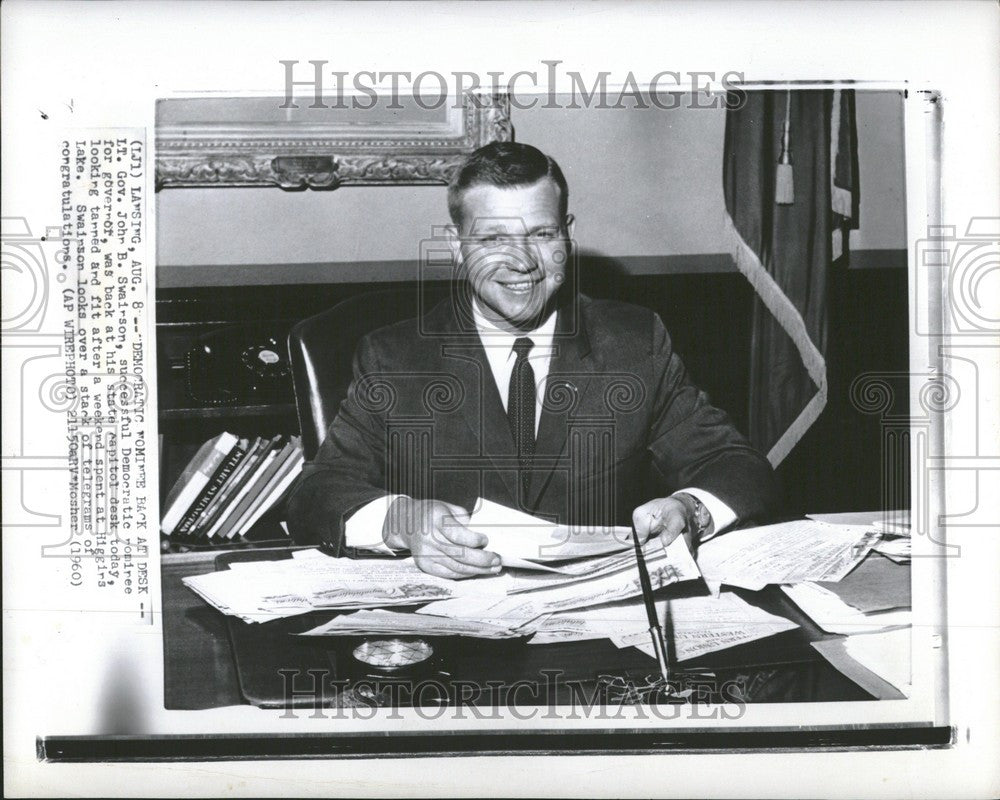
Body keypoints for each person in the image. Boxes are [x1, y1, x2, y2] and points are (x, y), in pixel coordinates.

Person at [287, 142, 778, 578]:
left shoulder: (634, 341)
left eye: (542, 234)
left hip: (602, 629)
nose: (522, 261)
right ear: (457, 248)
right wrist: (400, 520)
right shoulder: (393, 356)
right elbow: (317, 493)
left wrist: (691, 510)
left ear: (567, 235)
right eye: (493, 239)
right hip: (454, 639)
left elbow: (735, 465)